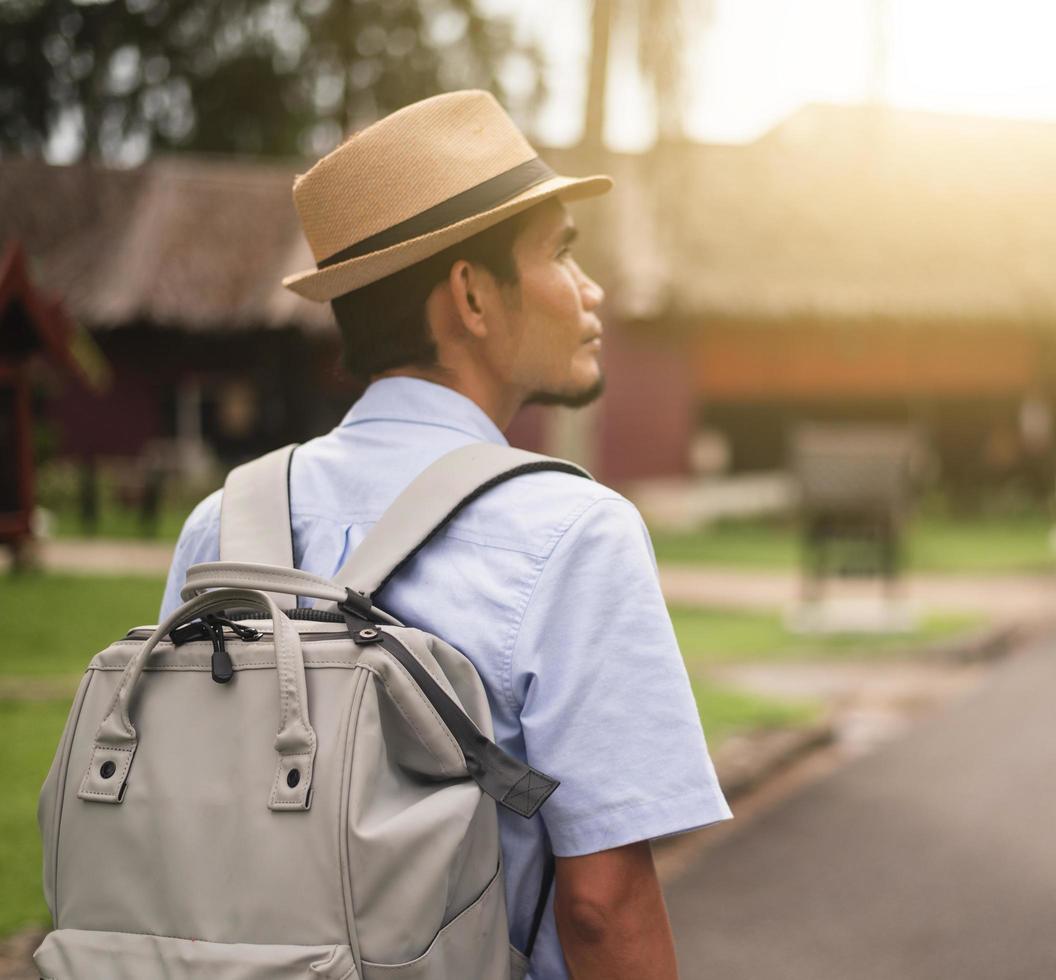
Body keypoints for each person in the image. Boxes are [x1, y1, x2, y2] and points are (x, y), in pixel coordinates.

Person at [159, 90, 731, 980]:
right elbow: (603, 906)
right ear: (470, 294)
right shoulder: (575, 532)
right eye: (560, 254)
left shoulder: (223, 523)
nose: (591, 291)